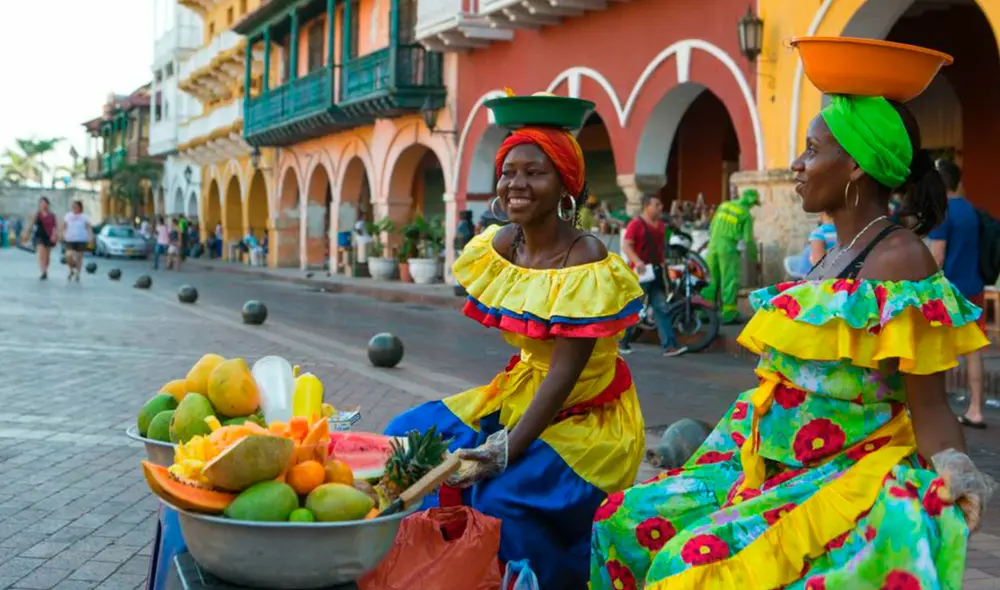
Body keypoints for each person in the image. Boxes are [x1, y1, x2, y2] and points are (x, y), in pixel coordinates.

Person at [591, 79, 996, 587]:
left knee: (687, 565)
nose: (796, 165)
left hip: (839, 471)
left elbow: (929, 404)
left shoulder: (899, 258)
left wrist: (956, 473)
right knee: (621, 521)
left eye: (811, 149)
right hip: (761, 455)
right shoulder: (834, 255)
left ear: (855, 165)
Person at [385, 94, 645, 590]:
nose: (516, 184)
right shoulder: (504, 244)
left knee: (500, 498)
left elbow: (565, 374)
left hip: (588, 417)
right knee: (408, 437)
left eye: (535, 173)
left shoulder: (585, 256)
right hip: (520, 391)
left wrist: (502, 451)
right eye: (508, 172)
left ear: (566, 185)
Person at [930, 159, 987, 429]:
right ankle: (976, 409)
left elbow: (937, 258)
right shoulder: (970, 209)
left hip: (949, 291)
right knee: (973, 350)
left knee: (939, 349)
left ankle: (937, 408)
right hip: (974, 287)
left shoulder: (942, 213)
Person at [619, 195, 686, 357]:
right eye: (657, 205)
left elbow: (674, 230)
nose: (660, 207)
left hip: (656, 272)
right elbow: (626, 246)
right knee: (634, 307)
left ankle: (669, 346)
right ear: (646, 206)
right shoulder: (636, 224)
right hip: (641, 273)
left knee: (662, 308)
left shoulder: (661, 224)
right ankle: (622, 341)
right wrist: (638, 261)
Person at [703, 189, 760, 324]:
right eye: (754, 204)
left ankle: (703, 312)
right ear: (751, 202)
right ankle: (729, 313)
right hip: (728, 249)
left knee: (710, 280)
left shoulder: (724, 205)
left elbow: (711, 226)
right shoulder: (745, 214)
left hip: (712, 247)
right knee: (729, 280)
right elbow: (748, 240)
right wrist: (754, 258)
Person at [23, 197, 57, 280]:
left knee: (47, 257)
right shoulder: (37, 214)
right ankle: (43, 272)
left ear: (48, 204)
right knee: (41, 254)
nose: (43, 205)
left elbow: (54, 226)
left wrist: (54, 235)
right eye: (41, 203)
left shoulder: (52, 215)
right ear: (39, 204)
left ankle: (45, 269)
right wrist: (27, 234)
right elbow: (31, 224)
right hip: (39, 236)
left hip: (49, 236)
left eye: (45, 203)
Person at [60, 201, 92, 282]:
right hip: (70, 239)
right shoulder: (68, 216)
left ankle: (77, 273)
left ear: (80, 207)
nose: (74, 208)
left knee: (79, 257)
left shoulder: (84, 217)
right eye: (73, 206)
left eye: (76, 206)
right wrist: (61, 234)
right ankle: (71, 269)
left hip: (81, 239)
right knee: (68, 255)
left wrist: (91, 237)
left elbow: (88, 227)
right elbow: (63, 226)